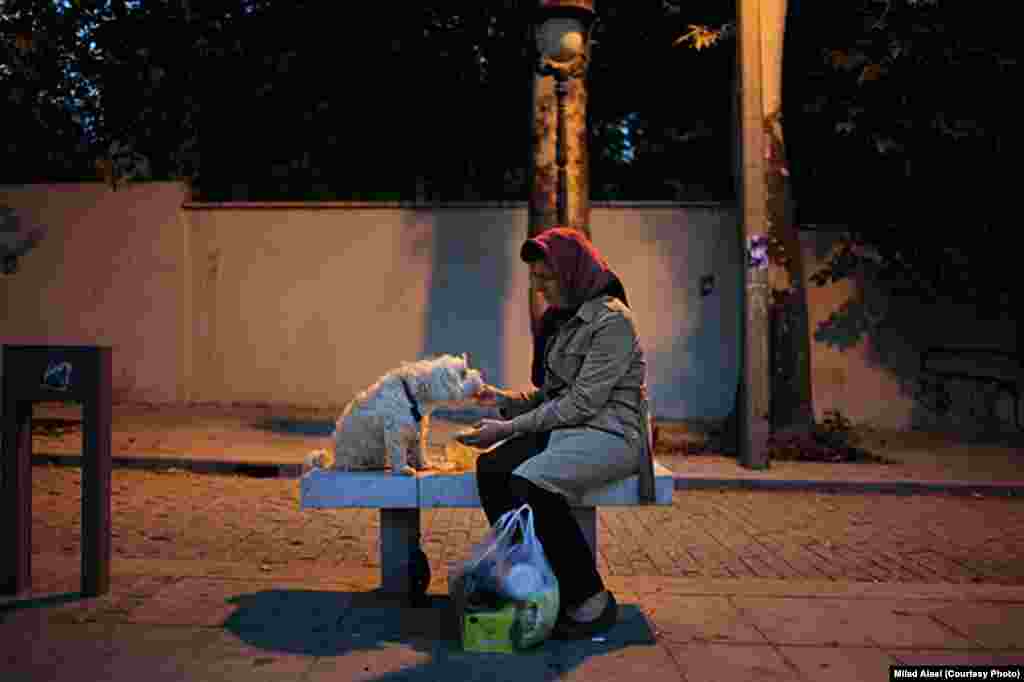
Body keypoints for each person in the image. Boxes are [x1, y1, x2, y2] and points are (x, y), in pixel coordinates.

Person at [458, 226, 655, 640]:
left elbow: (581, 403)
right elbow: (551, 395)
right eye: (534, 280)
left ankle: (590, 599)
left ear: (571, 272)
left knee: (533, 482)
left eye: (546, 278)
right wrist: (500, 398)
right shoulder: (561, 321)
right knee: (493, 469)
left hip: (611, 434)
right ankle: (532, 581)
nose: (539, 289)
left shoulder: (612, 321)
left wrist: (506, 428)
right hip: (571, 428)